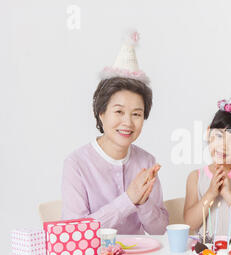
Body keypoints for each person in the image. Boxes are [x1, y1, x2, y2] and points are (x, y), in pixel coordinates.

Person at [61, 30, 168, 235]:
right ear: (101, 113)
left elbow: (160, 231)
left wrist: (143, 201)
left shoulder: (146, 161)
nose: (127, 122)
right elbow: (75, 233)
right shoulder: (76, 164)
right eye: (118, 111)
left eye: (136, 114)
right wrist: (129, 199)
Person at [184, 67, 231, 238]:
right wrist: (211, 193)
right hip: (206, 252)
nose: (223, 146)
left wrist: (228, 194)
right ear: (208, 133)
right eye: (219, 136)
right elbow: (190, 223)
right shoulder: (195, 177)